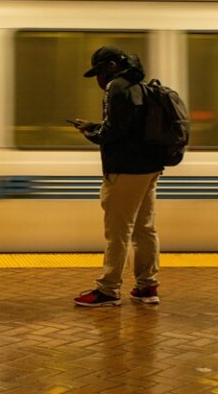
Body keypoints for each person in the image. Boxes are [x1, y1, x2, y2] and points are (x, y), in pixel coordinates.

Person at [70, 46, 164, 307]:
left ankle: (108, 289)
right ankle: (147, 286)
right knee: (145, 228)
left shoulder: (117, 86)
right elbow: (130, 127)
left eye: (100, 71)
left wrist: (90, 131)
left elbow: (114, 131)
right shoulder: (141, 85)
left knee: (118, 231)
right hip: (149, 168)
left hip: (125, 169)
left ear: (112, 66)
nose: (100, 80)